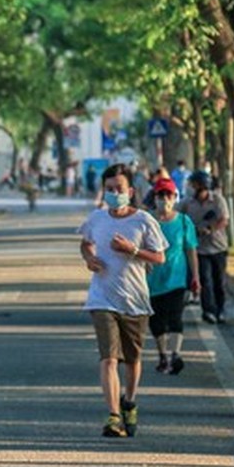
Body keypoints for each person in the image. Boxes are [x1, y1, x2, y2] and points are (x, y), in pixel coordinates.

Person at [79, 163, 167, 438]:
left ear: (130, 190)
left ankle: (129, 401)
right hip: (102, 298)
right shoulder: (97, 219)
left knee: (132, 359)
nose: (114, 193)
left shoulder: (143, 221)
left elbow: (159, 256)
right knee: (108, 359)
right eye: (109, 189)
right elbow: (85, 242)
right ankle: (114, 414)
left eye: (119, 189)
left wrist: (133, 249)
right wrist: (89, 258)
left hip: (135, 300)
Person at [146, 177, 199, 375]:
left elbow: (191, 250)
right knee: (157, 321)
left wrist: (196, 277)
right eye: (161, 195)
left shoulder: (184, 222)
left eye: (169, 195)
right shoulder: (147, 221)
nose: (165, 199)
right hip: (152, 280)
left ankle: (176, 354)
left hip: (177, 279)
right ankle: (162, 355)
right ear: (155, 197)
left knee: (175, 316)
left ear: (174, 197)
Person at [180, 170, 230, 324]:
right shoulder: (187, 203)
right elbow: (176, 215)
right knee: (205, 281)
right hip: (199, 249)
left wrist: (210, 229)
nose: (190, 187)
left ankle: (221, 310)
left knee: (219, 281)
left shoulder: (218, 200)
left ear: (202, 186)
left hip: (218, 247)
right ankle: (209, 311)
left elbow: (224, 220)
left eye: (193, 184)